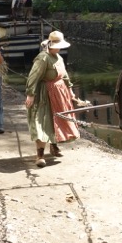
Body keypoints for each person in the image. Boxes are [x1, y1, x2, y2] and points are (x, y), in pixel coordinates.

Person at [24, 31, 80, 167]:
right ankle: (40, 155)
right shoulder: (43, 58)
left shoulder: (58, 57)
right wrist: (30, 94)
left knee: (57, 119)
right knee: (43, 121)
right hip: (44, 94)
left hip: (59, 93)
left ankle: (54, 146)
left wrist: (70, 91)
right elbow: (33, 76)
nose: (60, 48)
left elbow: (65, 76)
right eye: (57, 45)